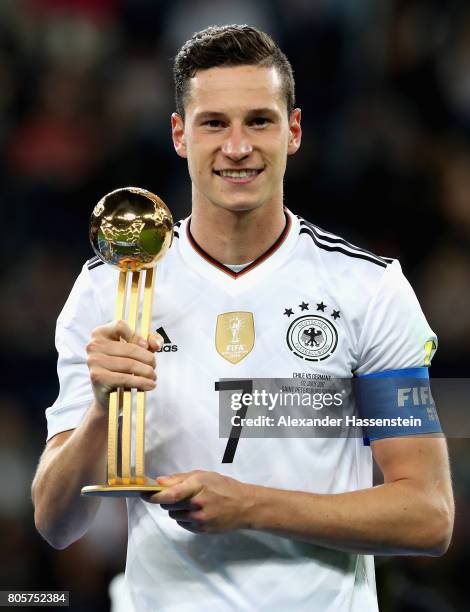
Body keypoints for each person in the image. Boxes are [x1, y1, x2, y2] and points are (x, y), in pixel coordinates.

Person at [32, 25, 454, 611]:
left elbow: (429, 515)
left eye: (259, 120)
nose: (237, 146)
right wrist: (103, 411)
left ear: (294, 131)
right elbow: (56, 523)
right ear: (180, 135)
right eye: (213, 123)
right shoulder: (109, 290)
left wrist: (250, 505)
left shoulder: (370, 290)